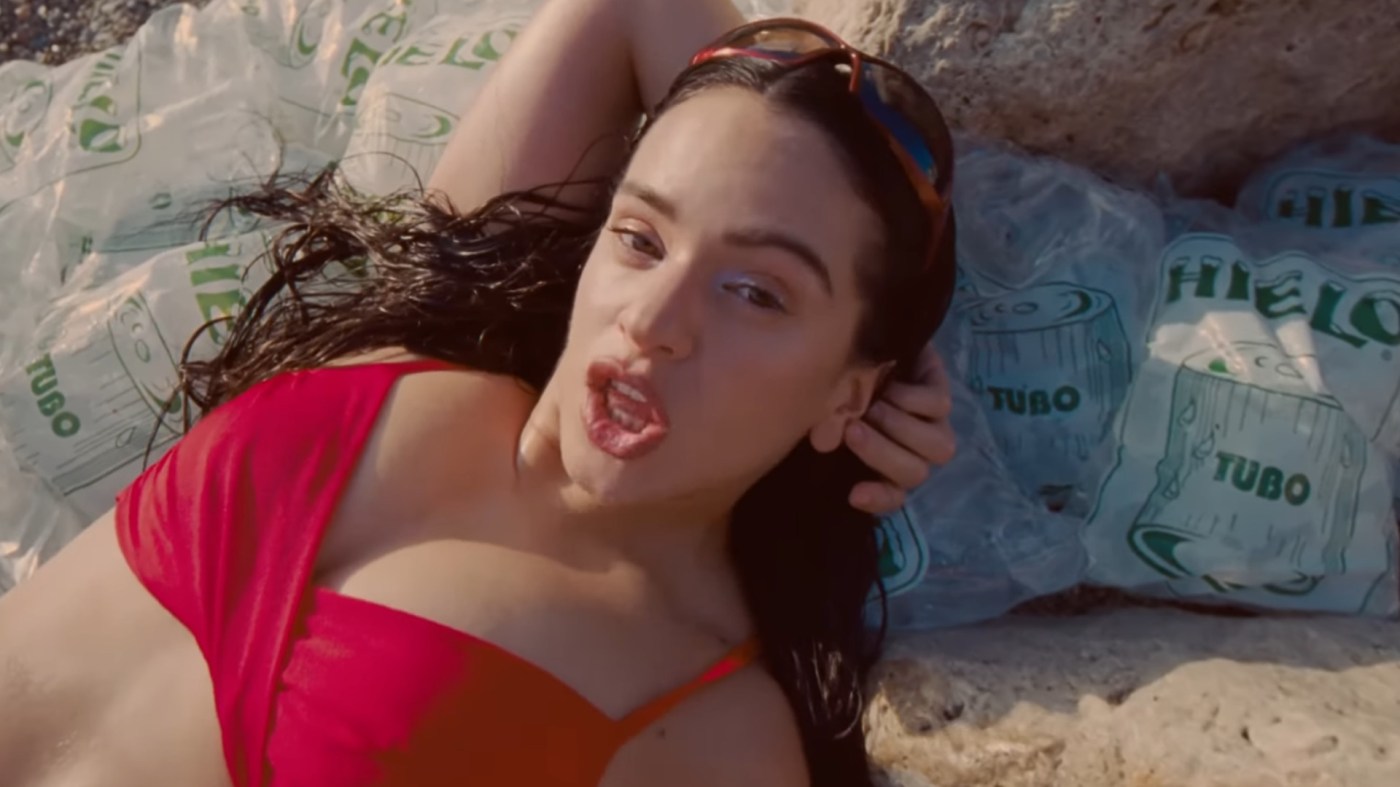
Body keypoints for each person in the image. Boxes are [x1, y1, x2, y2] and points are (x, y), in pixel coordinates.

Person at [0, 0, 958, 785]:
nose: (652, 318)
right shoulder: (445, 321)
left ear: (851, 394)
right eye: (640, 238)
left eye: (755, 292)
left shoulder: (715, 731)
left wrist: (874, 365)